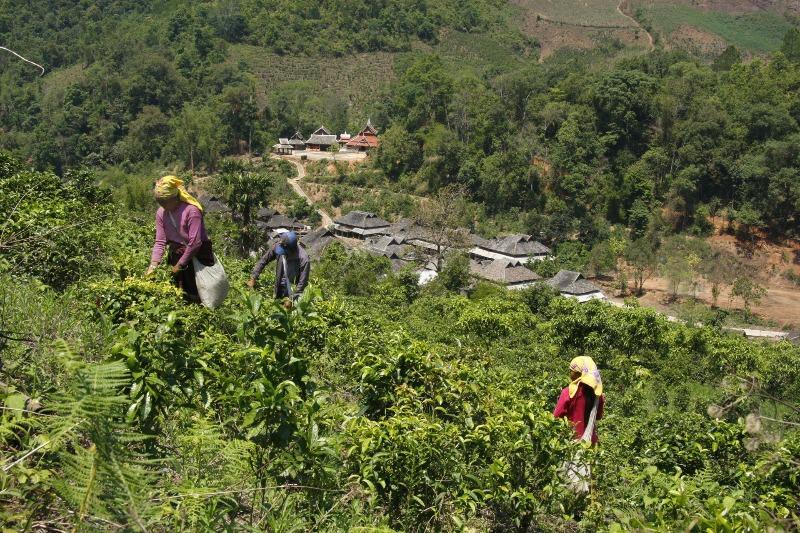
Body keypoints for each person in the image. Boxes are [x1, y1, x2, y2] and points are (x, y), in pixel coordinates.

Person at [147, 175, 214, 302]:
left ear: (174, 197)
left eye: (163, 201)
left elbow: (195, 243)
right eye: (159, 201)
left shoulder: (192, 211)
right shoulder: (161, 213)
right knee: (180, 295)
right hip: (177, 256)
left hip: (197, 257)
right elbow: (160, 241)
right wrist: (153, 265)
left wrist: (179, 266)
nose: (161, 205)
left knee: (201, 293)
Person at [553, 356, 605, 445]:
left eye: (571, 371)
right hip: (590, 443)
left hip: (571, 442)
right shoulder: (598, 393)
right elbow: (598, 416)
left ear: (579, 374)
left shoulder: (568, 392)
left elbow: (556, 416)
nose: (569, 374)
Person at [247, 231, 310, 302]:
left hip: (292, 291)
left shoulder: (303, 259)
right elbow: (263, 260)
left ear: (291, 249)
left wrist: (292, 300)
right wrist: (253, 277)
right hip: (279, 286)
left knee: (288, 311)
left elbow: (302, 283)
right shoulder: (279, 246)